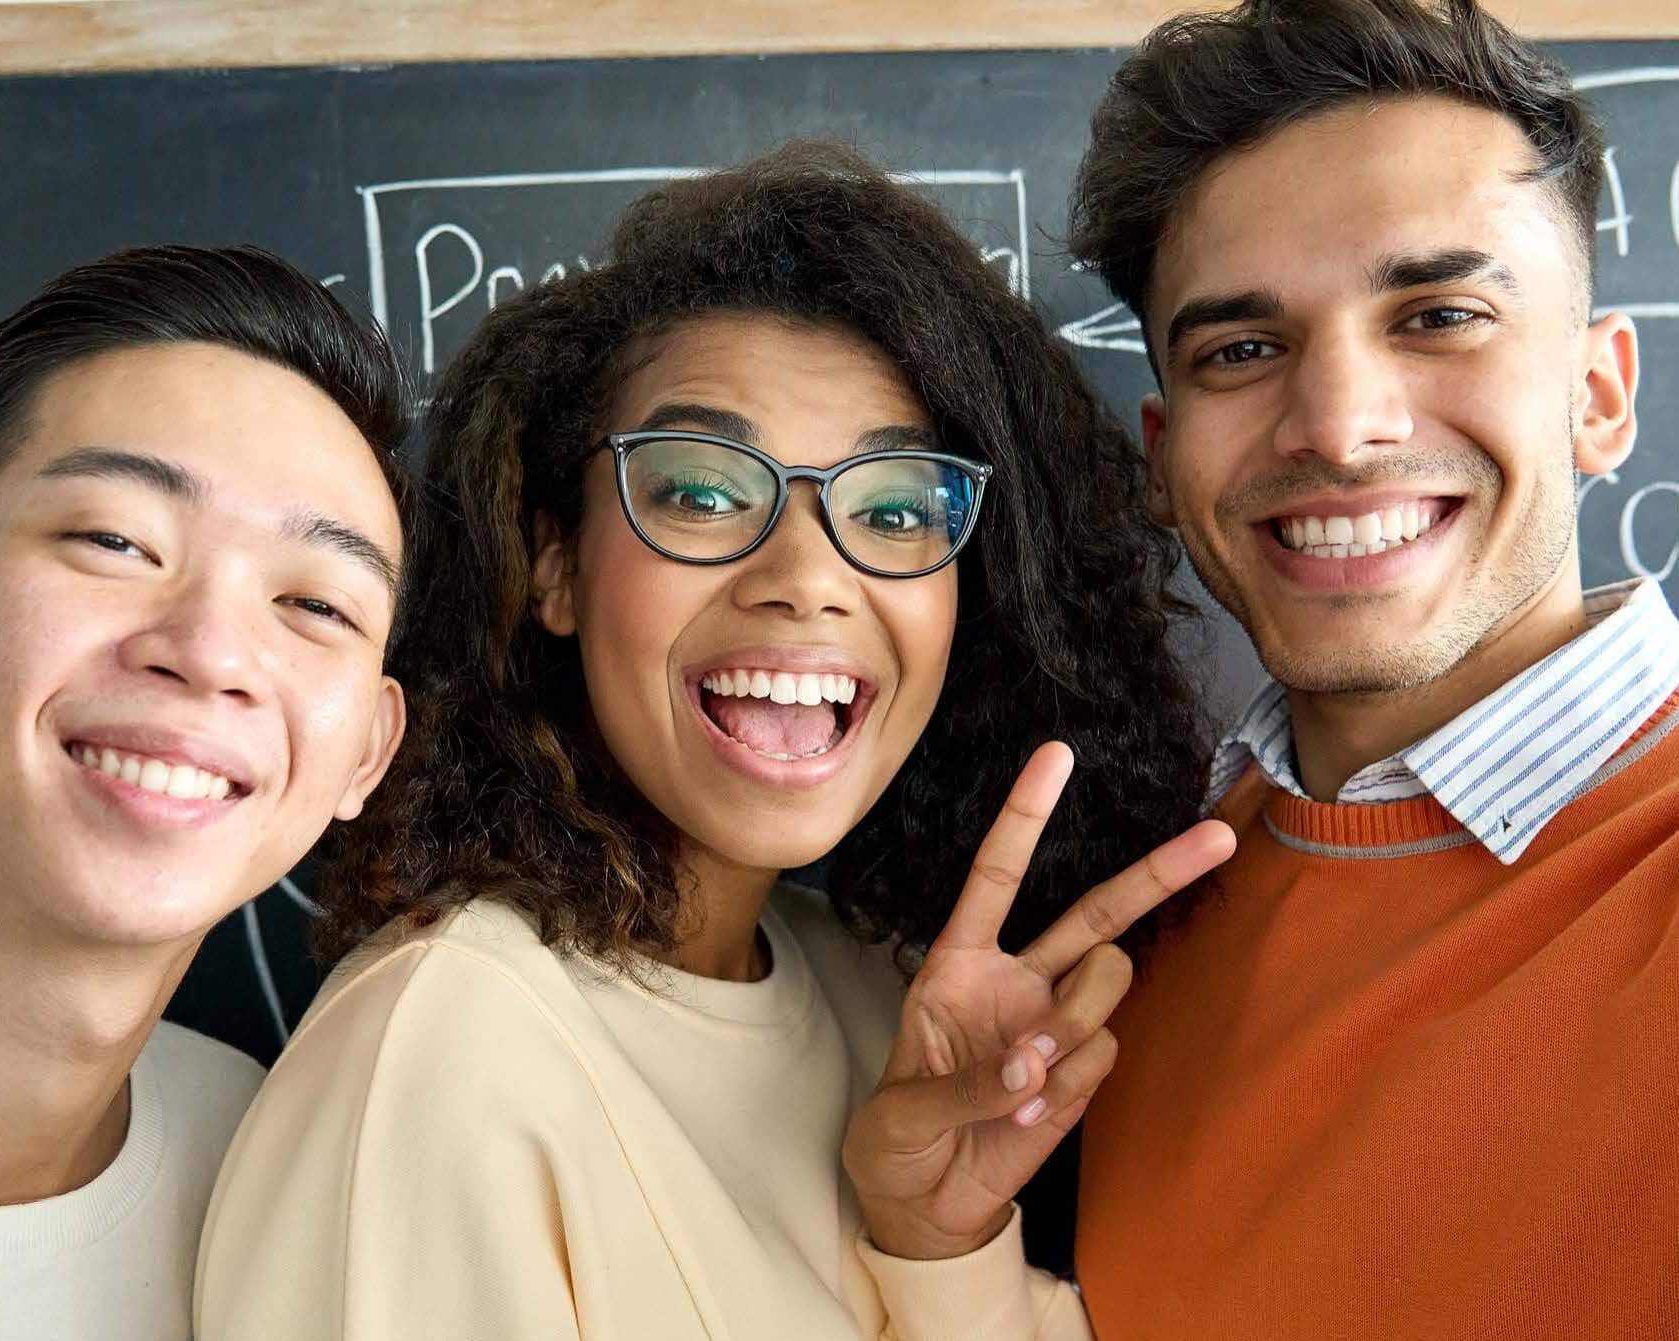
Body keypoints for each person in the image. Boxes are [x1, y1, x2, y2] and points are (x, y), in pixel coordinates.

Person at [195, 142, 1235, 1340]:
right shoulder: (446, 1053)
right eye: (699, 492)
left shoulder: (886, 1009)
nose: (809, 578)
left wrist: (938, 1248)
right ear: (553, 564)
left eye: (895, 508)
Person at [1063, 1, 1679, 1335]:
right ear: (1167, 458)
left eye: (1440, 313)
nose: (1339, 428)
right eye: (1242, 348)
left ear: (1599, 395)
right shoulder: (1133, 937)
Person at [0, 244, 410, 1339]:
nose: (210, 653)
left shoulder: (273, 1176)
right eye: (115, 540)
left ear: (366, 756)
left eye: (316, 605)